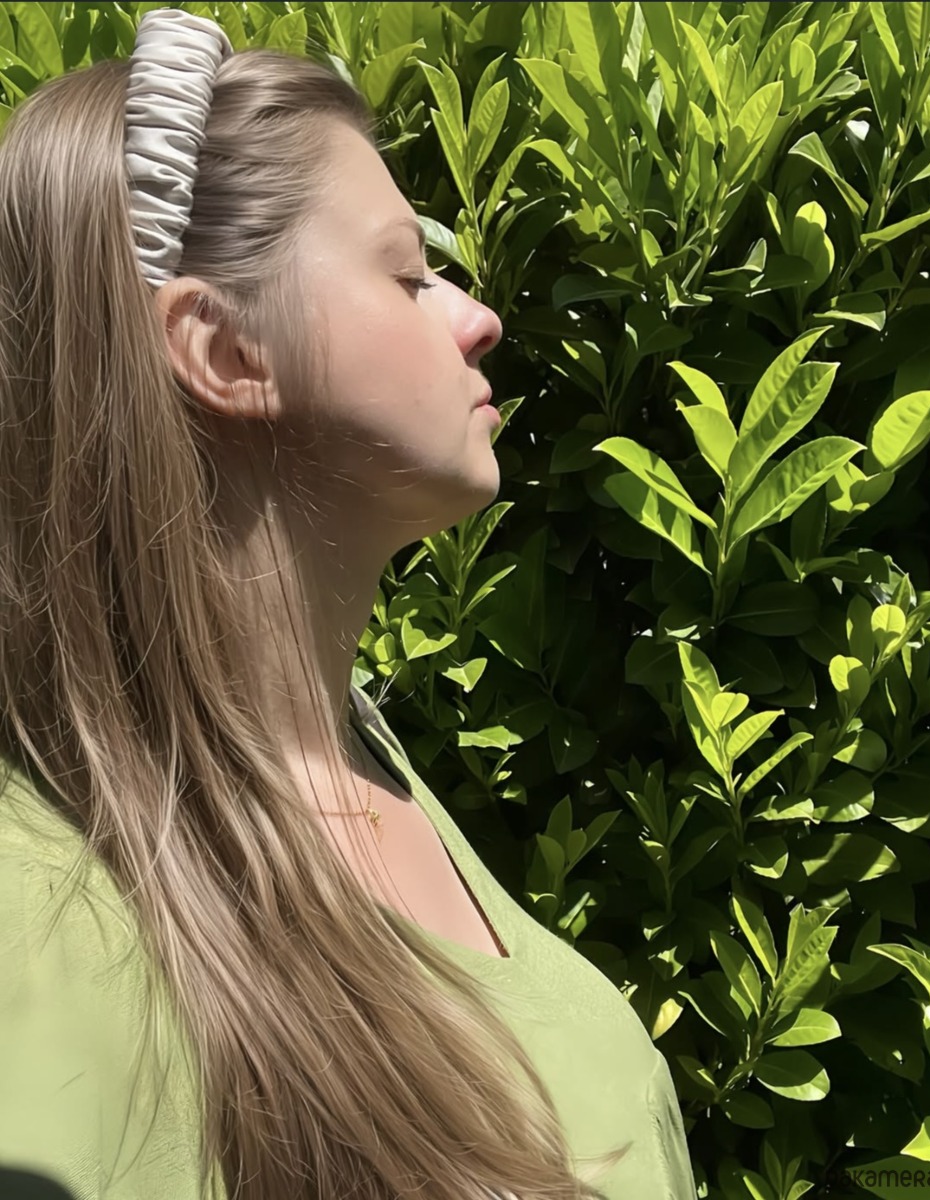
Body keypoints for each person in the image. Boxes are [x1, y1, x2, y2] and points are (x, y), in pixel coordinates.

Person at [0, 9, 697, 1200]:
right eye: (407, 275)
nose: (477, 316)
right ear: (224, 353)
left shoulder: (368, 767)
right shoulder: (42, 927)